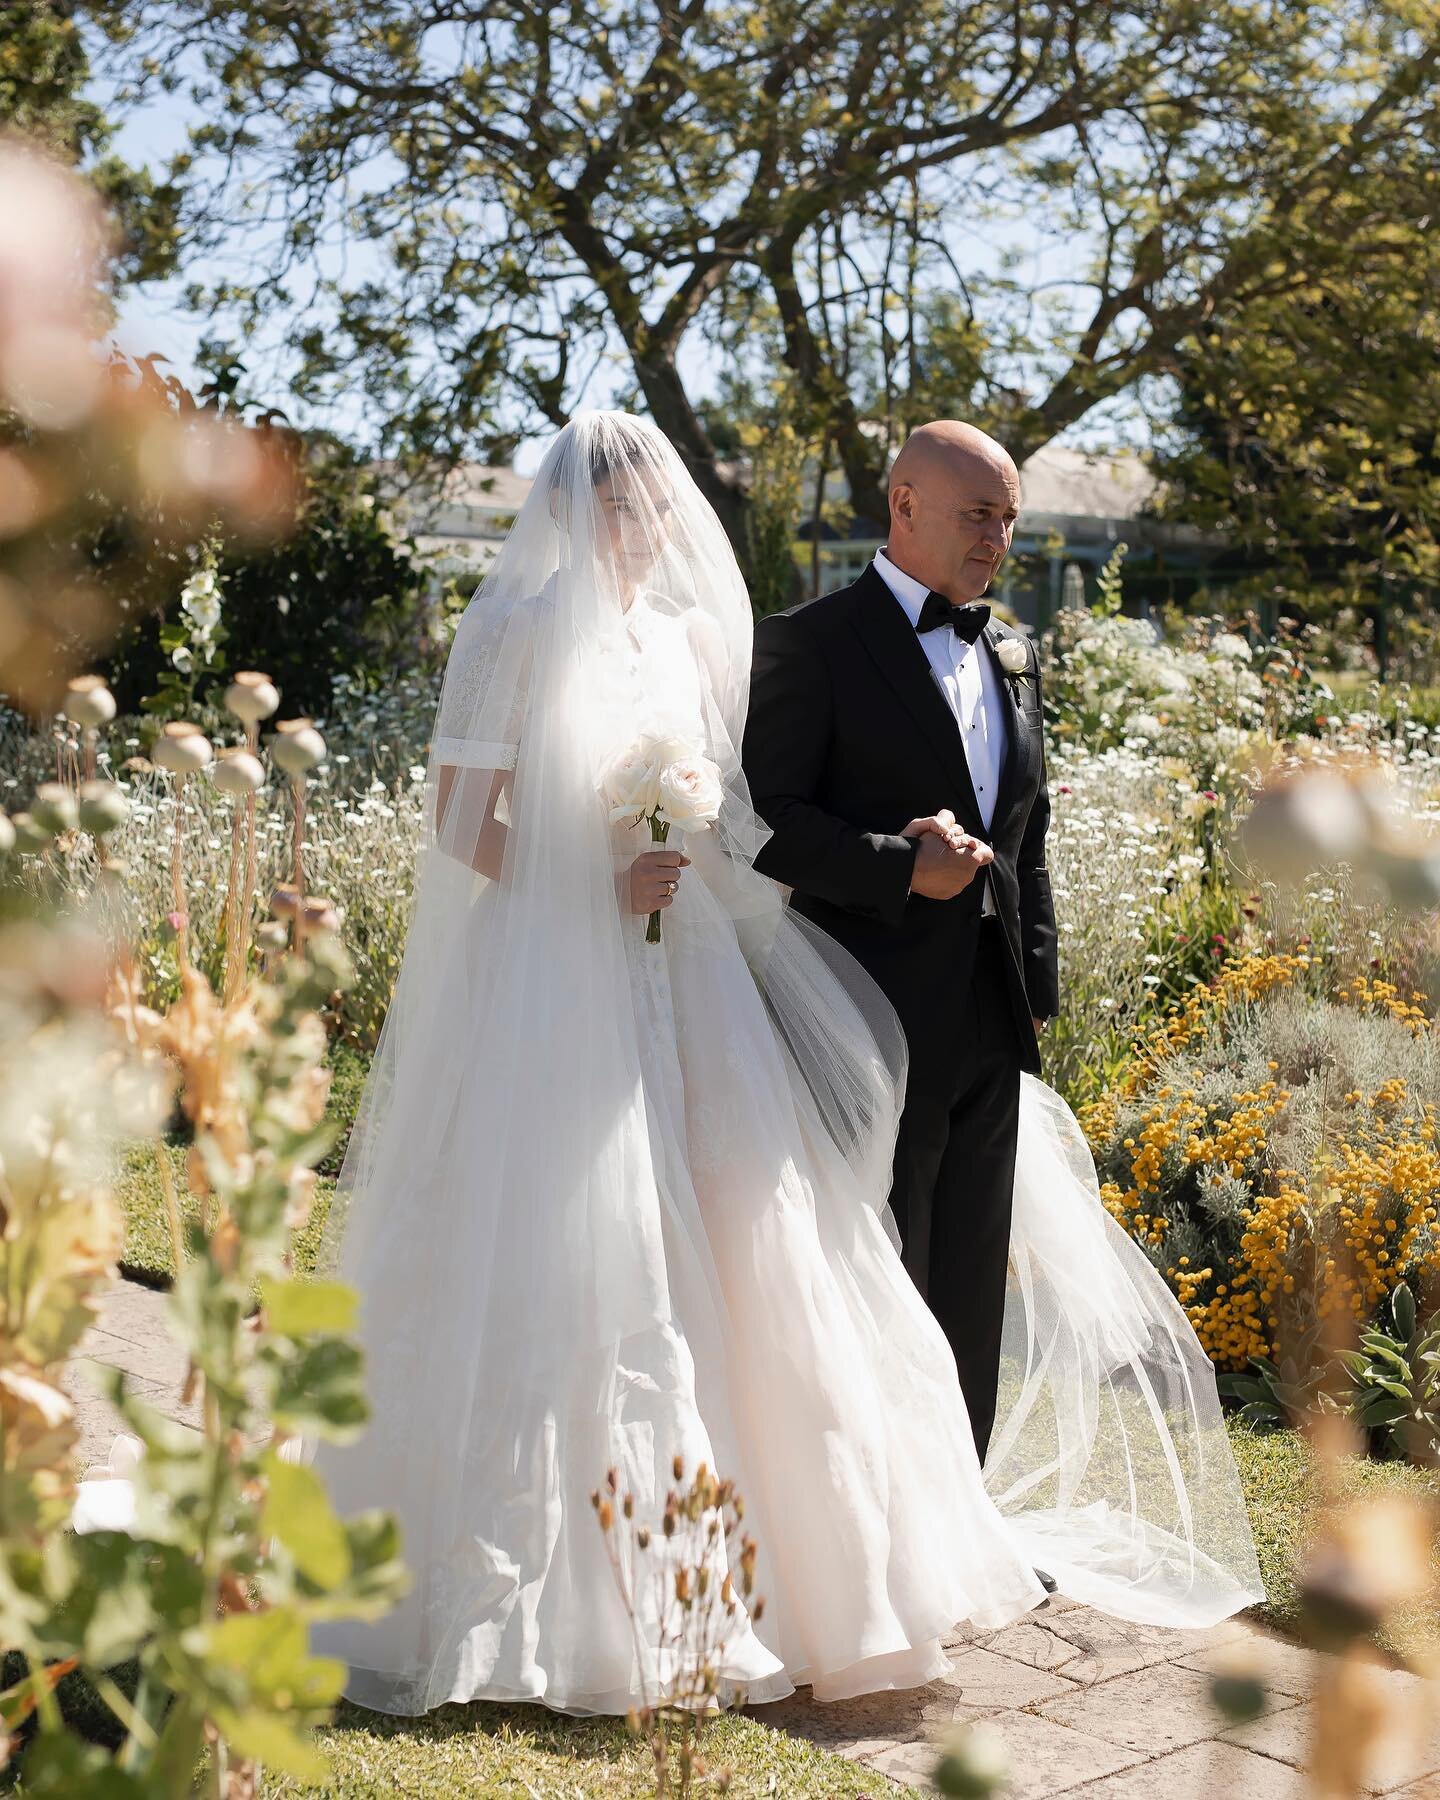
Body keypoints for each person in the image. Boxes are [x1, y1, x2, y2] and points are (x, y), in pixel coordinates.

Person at [305, 411, 1262, 1720]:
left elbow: (742, 815)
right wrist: (589, 878)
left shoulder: (693, 642)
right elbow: (464, 818)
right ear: (580, 516)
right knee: (567, 1244)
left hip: (685, 973)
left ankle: (804, 1556)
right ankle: (538, 1565)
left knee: (751, 1241)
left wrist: (701, 856)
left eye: (655, 510)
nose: (646, 533)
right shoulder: (514, 630)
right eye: (625, 511)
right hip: (553, 974)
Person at [743, 420, 1050, 1465]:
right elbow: (763, 819)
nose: (998, 539)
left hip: (988, 1011)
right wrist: (895, 863)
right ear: (905, 505)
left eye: (1008, 519)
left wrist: (1034, 989)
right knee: (882, 1260)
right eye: (979, 515)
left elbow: (1026, 828)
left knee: (972, 1263)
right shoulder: (809, 641)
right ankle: (875, 1499)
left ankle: (958, 1500)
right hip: (859, 1009)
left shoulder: (1012, 648)